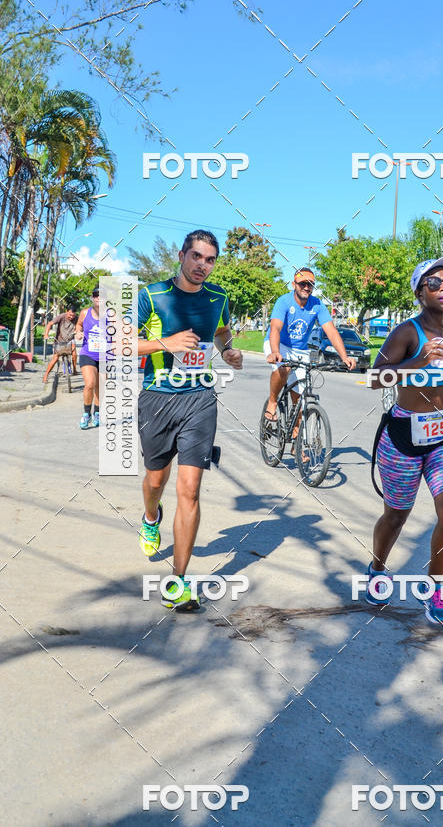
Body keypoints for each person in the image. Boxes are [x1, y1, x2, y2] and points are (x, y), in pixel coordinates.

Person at [137, 229, 242, 612]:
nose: (203, 265)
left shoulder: (219, 298)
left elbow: (222, 331)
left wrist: (227, 352)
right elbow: (118, 344)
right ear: (182, 255)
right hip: (157, 399)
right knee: (155, 479)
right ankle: (151, 517)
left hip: (199, 400)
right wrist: (166, 343)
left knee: (191, 489)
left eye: (210, 259)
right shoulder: (153, 295)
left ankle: (178, 581)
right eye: (196, 256)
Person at [367, 257, 443, 625]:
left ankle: (436, 588)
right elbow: (376, 378)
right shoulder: (406, 333)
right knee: (396, 516)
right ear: (418, 291)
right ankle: (378, 568)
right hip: (403, 435)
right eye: (434, 283)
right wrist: (417, 362)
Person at [263, 268, 356, 436]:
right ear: (294, 284)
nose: (307, 287)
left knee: (300, 398)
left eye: (311, 284)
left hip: (300, 349)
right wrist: (275, 352)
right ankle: (272, 401)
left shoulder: (318, 305)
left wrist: (344, 357)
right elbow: (275, 328)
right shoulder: (283, 302)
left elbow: (332, 332)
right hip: (278, 343)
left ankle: (297, 441)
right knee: (283, 368)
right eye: (303, 283)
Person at [75, 287, 102, 429]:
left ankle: (97, 413)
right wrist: (78, 333)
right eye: (95, 295)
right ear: (92, 298)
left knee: (99, 387)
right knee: (90, 384)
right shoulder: (85, 313)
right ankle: (86, 414)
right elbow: (78, 326)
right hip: (88, 354)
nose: (98, 297)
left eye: (101, 295)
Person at [42, 305, 78, 382]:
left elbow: (80, 326)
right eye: (70, 315)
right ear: (66, 312)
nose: (71, 317)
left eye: (73, 316)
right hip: (59, 341)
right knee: (55, 358)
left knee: (74, 353)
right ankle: (46, 376)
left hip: (70, 340)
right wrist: (46, 334)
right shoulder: (61, 317)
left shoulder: (77, 318)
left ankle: (75, 369)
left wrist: (78, 331)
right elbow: (49, 324)